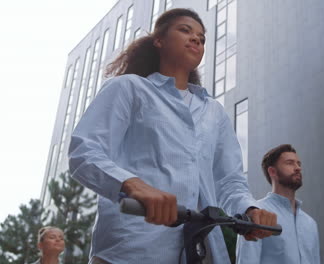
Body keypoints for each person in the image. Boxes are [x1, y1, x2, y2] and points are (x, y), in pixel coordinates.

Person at [68, 8, 276, 264]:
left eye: (201, 37)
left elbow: (229, 180)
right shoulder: (129, 88)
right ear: (159, 41)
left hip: (198, 250)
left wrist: (249, 209)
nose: (196, 39)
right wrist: (133, 185)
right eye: (185, 30)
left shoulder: (214, 112)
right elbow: (84, 152)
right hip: (130, 248)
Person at [236, 144, 320, 264]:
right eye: (290, 163)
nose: (298, 168)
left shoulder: (310, 224)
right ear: (272, 172)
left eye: (299, 164)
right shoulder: (256, 214)